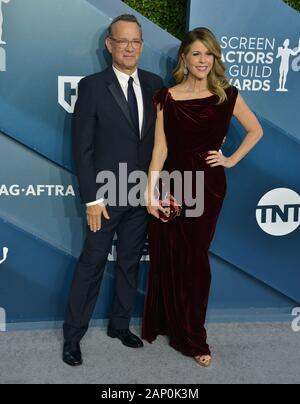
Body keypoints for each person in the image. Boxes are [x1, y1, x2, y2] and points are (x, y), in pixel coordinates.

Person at [142, 27, 263, 367]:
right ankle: (170, 322)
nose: (203, 60)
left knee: (195, 259)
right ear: (184, 57)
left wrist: (230, 159)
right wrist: (150, 193)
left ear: (215, 59)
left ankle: (194, 336)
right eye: (196, 53)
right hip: (172, 184)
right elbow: (160, 150)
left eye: (208, 54)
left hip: (207, 186)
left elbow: (256, 130)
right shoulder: (166, 97)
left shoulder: (227, 94)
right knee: (170, 254)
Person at [62, 14, 163, 367]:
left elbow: (160, 143)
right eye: (123, 41)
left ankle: (120, 326)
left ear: (142, 45)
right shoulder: (92, 86)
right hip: (104, 197)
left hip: (140, 195)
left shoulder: (155, 84)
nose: (130, 47)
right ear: (109, 45)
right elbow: (82, 149)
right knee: (91, 264)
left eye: (136, 40)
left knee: (130, 263)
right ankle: (73, 337)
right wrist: (91, 198)